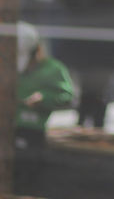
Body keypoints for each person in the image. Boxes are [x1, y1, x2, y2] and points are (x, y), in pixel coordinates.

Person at [14, 23, 74, 197]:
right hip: (6, 126)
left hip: (30, 130)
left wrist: (44, 98)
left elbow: (66, 96)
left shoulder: (53, 69)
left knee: (27, 175)